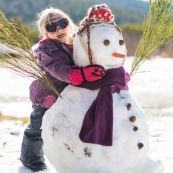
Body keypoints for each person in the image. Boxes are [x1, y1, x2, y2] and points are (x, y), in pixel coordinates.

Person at [20, 7, 105, 172]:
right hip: (47, 95)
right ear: (45, 33)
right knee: (38, 128)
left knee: (70, 125)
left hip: (68, 94)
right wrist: (81, 74)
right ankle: (31, 159)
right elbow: (59, 70)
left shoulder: (76, 43)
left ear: (69, 24)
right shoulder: (46, 50)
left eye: (62, 23)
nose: (58, 29)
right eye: (51, 27)